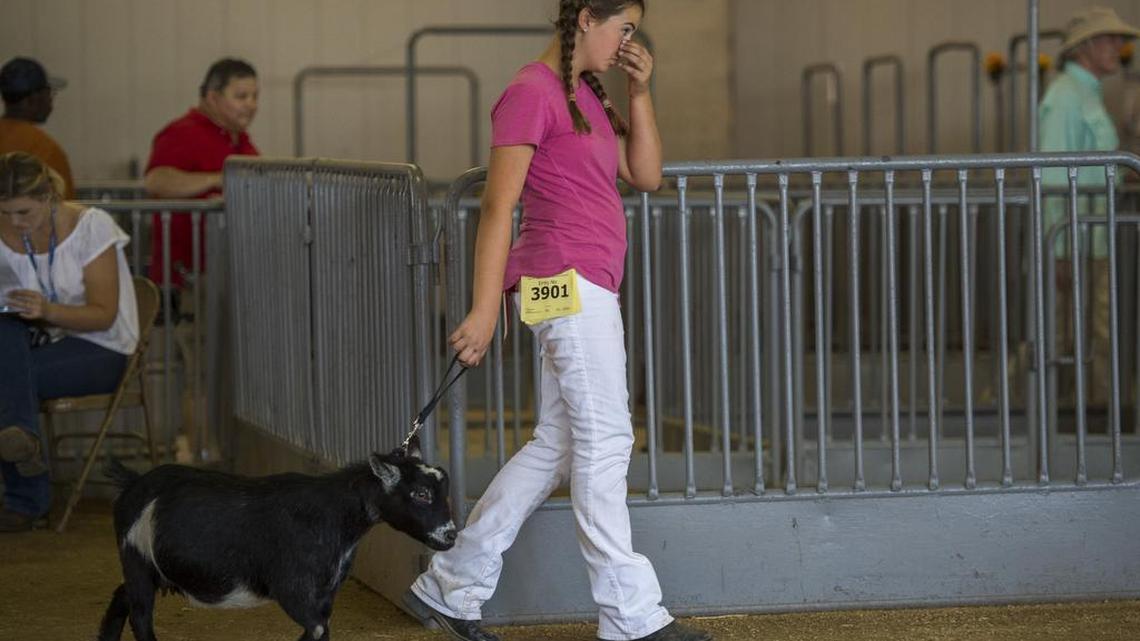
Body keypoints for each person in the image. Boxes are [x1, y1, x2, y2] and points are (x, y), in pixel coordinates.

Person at [403, 2, 711, 640]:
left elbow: (646, 174)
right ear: (586, 19)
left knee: (560, 444)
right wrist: (485, 308)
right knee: (607, 442)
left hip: (577, 282)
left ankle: (451, 582)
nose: (629, 40)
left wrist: (641, 89)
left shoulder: (588, 95)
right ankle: (630, 615)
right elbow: (498, 207)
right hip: (566, 280)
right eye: (623, 27)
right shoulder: (529, 93)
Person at [0, 152, 138, 532]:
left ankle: (26, 495)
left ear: (48, 197)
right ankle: (21, 451)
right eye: (5, 212)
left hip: (100, 347)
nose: (14, 222)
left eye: (23, 212)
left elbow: (104, 314)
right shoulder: (6, 226)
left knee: (7, 380)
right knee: (4, 333)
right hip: (34, 343)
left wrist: (47, 309)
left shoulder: (91, 227)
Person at [1039, 6, 1140, 411]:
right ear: (1086, 47)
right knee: (1071, 328)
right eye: (1110, 39)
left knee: (1081, 326)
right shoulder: (1065, 96)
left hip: (1088, 233)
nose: (1119, 45)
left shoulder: (1082, 92)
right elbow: (1049, 174)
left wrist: (1122, 176)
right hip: (1076, 236)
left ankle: (1091, 409)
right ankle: (1073, 413)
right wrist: (1058, 247)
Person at [144, 57, 259, 291]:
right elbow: (156, 181)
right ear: (213, 97)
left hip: (229, 275)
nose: (251, 105)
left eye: (255, 97)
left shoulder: (240, 140)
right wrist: (219, 180)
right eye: (241, 97)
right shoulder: (182, 134)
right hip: (186, 283)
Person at [0, 57, 74, 199]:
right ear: (34, 98)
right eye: (49, 94)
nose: (50, 101)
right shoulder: (46, 149)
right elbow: (61, 210)